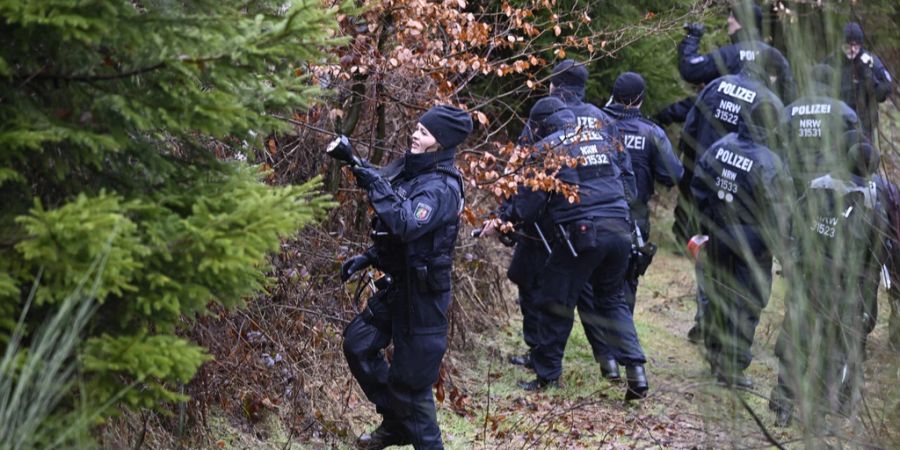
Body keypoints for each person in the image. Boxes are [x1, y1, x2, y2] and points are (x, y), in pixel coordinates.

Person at [486, 96, 648, 400]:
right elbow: (629, 182)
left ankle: (547, 377)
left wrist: (506, 223)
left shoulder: (545, 149)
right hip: (620, 228)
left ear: (540, 125)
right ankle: (636, 372)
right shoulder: (603, 137)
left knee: (553, 299)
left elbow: (528, 207)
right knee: (611, 299)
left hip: (583, 233)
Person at [341, 105, 472, 449]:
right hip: (399, 287)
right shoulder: (414, 171)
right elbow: (392, 209)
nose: (415, 134)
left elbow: (407, 223)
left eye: (424, 133)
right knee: (359, 344)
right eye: (416, 128)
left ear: (440, 144)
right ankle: (397, 424)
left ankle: (411, 427)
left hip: (424, 298)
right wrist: (368, 257)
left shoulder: (442, 188)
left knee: (412, 388)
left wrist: (369, 180)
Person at [506, 59, 626, 380]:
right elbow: (620, 165)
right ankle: (608, 361)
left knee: (538, 288)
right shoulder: (601, 118)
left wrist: (510, 214)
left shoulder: (543, 113)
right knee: (585, 292)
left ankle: (540, 356)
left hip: (545, 218)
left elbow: (521, 164)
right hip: (587, 219)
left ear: (552, 84)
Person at [770, 136, 885, 427]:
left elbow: (791, 226)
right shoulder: (873, 204)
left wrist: (791, 264)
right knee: (833, 352)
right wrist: (868, 305)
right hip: (845, 290)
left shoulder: (817, 186)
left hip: (807, 278)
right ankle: (817, 414)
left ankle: (783, 403)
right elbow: (875, 260)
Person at [680, 50, 786, 341]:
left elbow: (690, 128)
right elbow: (775, 162)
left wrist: (689, 176)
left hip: (708, 182)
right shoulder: (768, 101)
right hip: (747, 197)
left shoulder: (716, 85)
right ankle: (728, 333)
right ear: (770, 73)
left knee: (710, 257)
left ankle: (706, 320)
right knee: (743, 273)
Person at [691, 98, 792, 388]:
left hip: (718, 234)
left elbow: (699, 185)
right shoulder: (769, 162)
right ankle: (732, 368)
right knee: (747, 303)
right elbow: (778, 211)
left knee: (718, 293)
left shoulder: (720, 146)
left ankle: (714, 353)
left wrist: (706, 225)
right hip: (753, 243)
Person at [603, 72, 684, 310]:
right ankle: (619, 336)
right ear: (640, 99)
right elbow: (673, 174)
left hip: (593, 211)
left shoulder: (596, 123)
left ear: (613, 95)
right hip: (632, 218)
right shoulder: (651, 133)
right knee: (626, 281)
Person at [678, 2, 796, 102]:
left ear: (742, 21)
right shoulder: (775, 56)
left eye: (732, 17)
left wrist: (692, 37)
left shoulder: (729, 54)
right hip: (764, 125)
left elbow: (690, 69)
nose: (729, 20)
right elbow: (789, 94)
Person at [782, 64, 859, 190]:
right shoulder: (843, 111)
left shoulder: (790, 109)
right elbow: (855, 143)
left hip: (795, 176)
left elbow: (779, 140)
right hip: (830, 179)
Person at [824, 22, 893, 141]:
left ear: (860, 45)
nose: (852, 50)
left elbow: (886, 87)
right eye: (848, 46)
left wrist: (870, 81)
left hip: (864, 123)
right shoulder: (831, 61)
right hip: (838, 122)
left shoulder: (869, 61)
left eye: (855, 46)